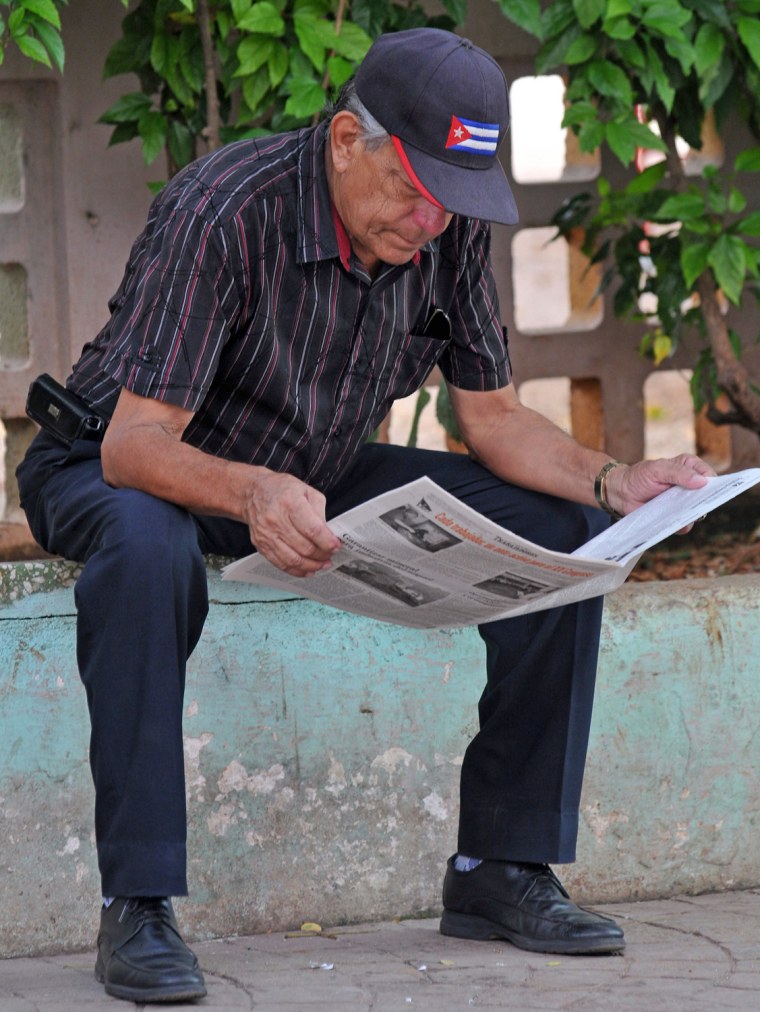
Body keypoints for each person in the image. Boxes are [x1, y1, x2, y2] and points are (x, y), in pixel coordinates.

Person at [16, 27, 713, 1004]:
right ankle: (137, 902)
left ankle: (498, 871)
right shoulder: (226, 209)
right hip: (127, 460)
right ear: (347, 138)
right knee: (143, 550)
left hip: (309, 468)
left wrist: (614, 480)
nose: (429, 220)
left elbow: (495, 418)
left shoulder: (443, 223)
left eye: (451, 199)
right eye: (412, 189)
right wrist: (251, 490)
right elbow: (136, 445)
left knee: (560, 533)